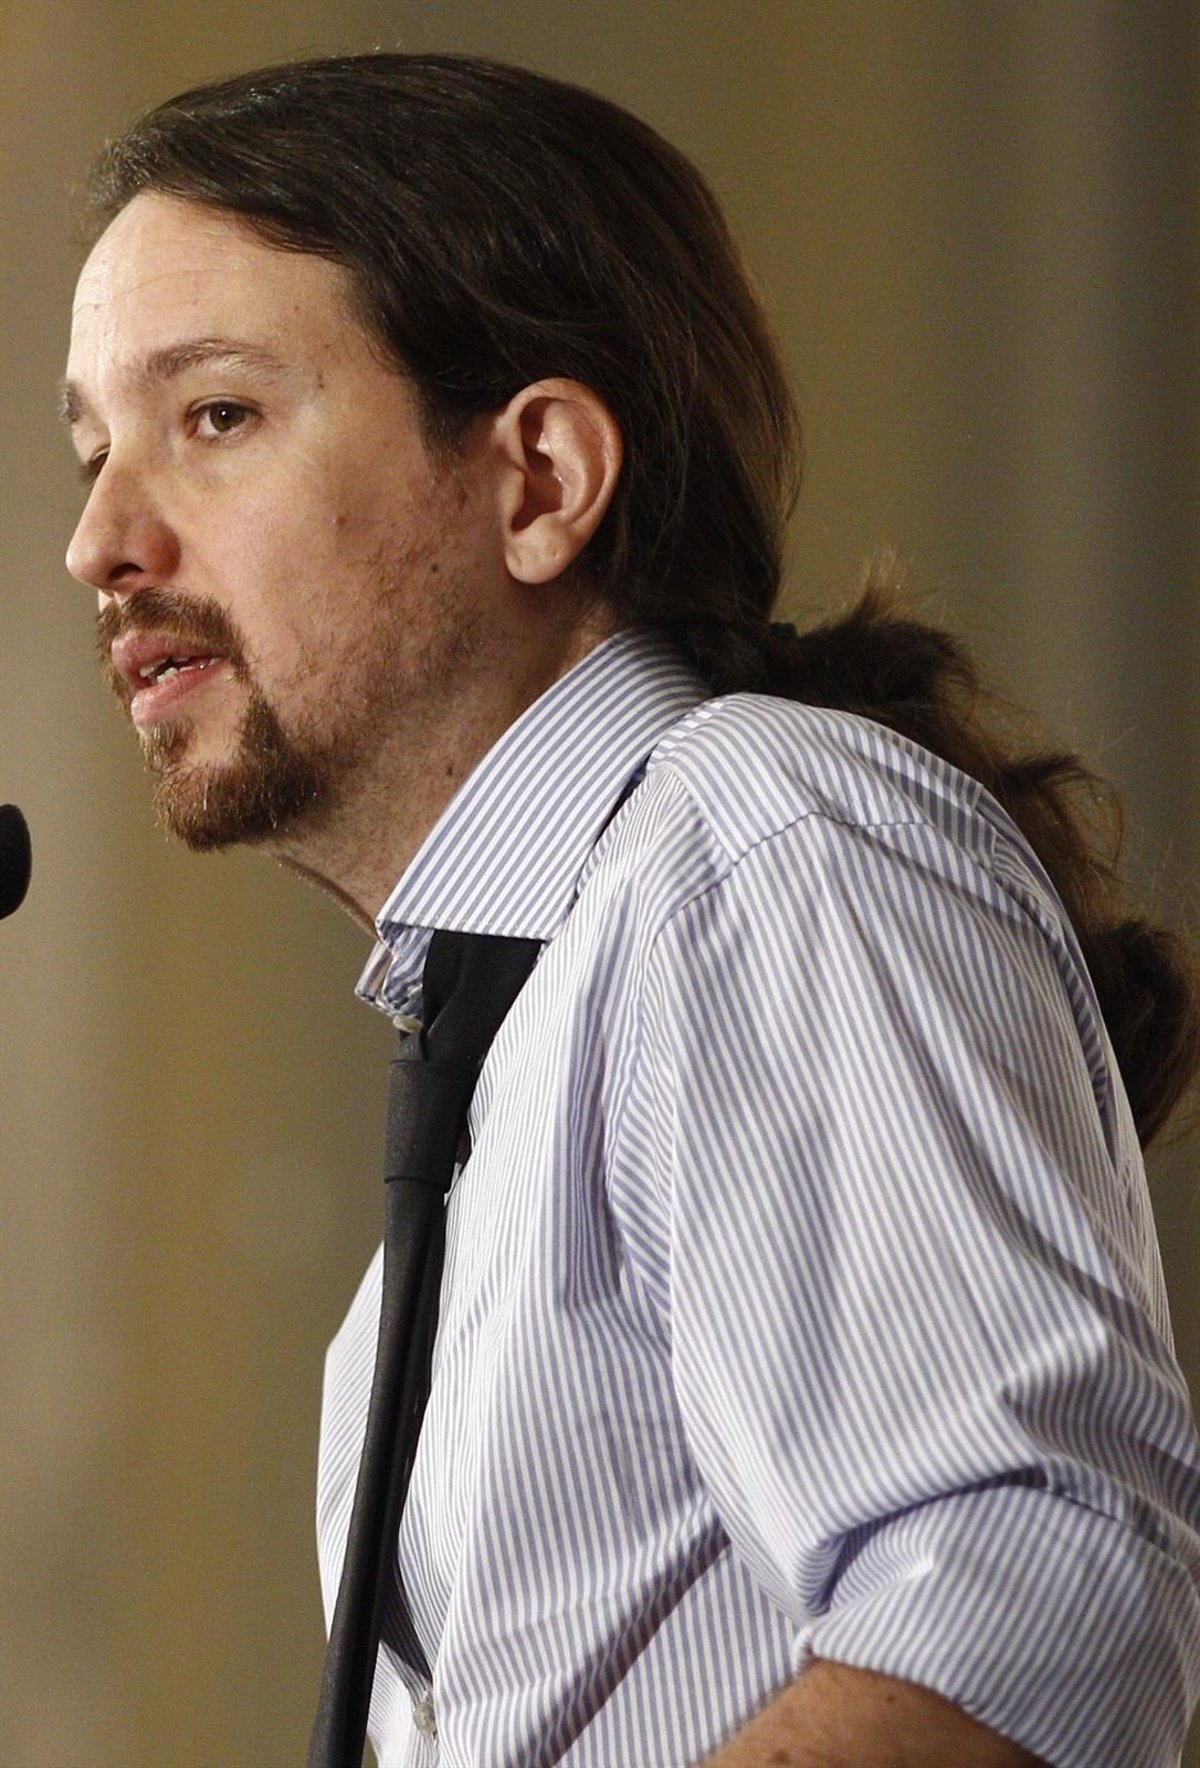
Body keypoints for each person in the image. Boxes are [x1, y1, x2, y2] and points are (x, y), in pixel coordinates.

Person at [62, 53, 1200, 1768]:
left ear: (538, 478)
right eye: (91, 449)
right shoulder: (538, 1002)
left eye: (214, 417)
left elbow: (1041, 1594)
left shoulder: (756, 846)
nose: (100, 540)